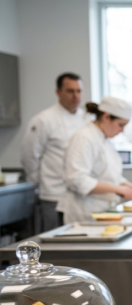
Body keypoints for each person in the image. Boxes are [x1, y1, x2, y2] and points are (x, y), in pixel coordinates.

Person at [57, 97, 132, 223]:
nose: (122, 131)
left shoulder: (104, 141)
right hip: (84, 213)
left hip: (101, 212)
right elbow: (77, 180)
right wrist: (118, 190)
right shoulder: (84, 138)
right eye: (120, 125)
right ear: (106, 117)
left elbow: (112, 178)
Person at [21, 73, 91, 231]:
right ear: (58, 92)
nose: (75, 96)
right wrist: (40, 182)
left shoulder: (87, 120)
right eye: (70, 91)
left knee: (77, 239)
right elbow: (29, 155)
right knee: (53, 240)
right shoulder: (43, 120)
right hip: (54, 194)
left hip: (80, 195)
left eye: (79, 91)